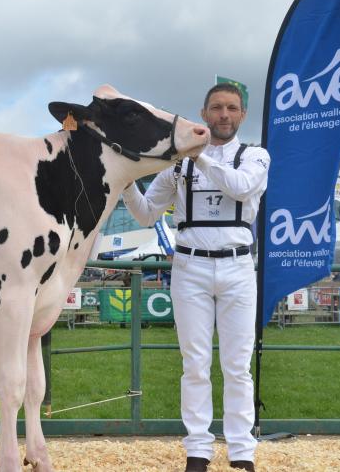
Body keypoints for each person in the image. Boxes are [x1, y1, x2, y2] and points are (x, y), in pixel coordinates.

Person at [122, 83, 269, 472]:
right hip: (190, 267)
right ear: (204, 114)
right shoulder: (178, 165)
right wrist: (126, 182)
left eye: (232, 108)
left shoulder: (255, 156)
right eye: (217, 108)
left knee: (237, 364)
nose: (224, 115)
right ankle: (198, 450)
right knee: (195, 362)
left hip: (238, 267)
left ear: (242, 115)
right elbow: (147, 213)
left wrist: (197, 156)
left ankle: (241, 450)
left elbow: (239, 187)